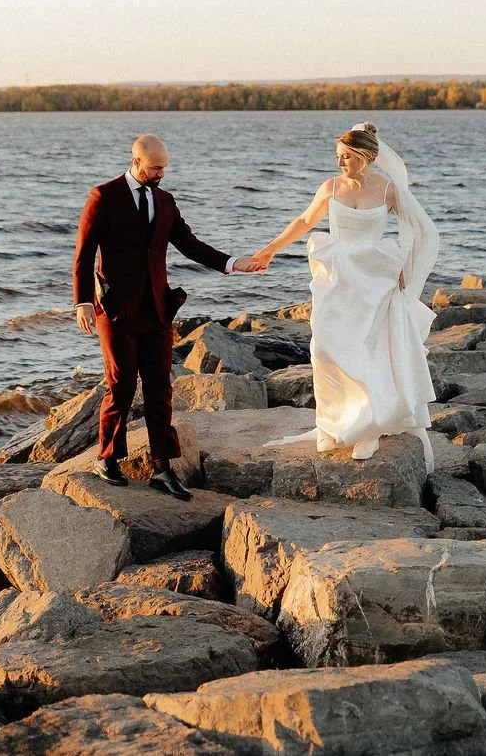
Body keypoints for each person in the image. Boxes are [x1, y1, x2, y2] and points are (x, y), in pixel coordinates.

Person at [72, 134, 259, 499]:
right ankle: (108, 457)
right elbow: (84, 254)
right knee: (121, 385)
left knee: (161, 389)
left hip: (157, 309)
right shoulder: (103, 196)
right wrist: (81, 302)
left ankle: (162, 468)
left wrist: (233, 263)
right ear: (137, 161)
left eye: (165, 168)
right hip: (115, 310)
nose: (161, 174)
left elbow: (190, 244)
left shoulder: (165, 202)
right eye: (156, 168)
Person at [249, 122, 439, 462]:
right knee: (326, 349)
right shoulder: (331, 187)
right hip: (335, 278)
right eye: (338, 156)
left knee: (365, 352)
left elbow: (420, 230)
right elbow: (305, 221)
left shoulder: (388, 191)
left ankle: (368, 429)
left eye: (346, 157)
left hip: (374, 280)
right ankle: (332, 425)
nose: (340, 163)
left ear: (365, 157)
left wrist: (404, 269)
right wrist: (269, 250)